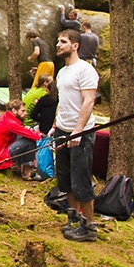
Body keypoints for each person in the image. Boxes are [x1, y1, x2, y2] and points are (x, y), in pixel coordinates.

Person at [54, 28, 99, 242]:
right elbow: (62, 101)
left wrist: (78, 130)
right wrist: (56, 125)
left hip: (80, 133)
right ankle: (73, 217)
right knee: (65, 179)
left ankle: (89, 226)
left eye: (63, 41)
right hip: (62, 131)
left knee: (81, 180)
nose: (58, 45)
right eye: (58, 41)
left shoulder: (85, 70)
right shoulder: (62, 72)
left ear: (75, 45)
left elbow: (89, 101)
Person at [0, 99, 42, 181]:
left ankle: (18, 166)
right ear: (14, 110)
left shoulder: (5, 117)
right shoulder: (11, 123)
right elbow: (34, 136)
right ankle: (27, 173)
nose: (25, 113)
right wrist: (42, 136)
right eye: (23, 111)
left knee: (22, 137)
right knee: (29, 141)